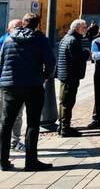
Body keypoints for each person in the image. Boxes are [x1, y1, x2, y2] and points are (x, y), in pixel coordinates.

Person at [0, 13, 55, 171]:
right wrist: (45, 76)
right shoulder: (40, 40)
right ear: (37, 24)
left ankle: (3, 161)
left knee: (6, 124)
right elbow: (50, 62)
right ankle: (31, 161)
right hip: (33, 85)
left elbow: (1, 61)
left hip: (9, 86)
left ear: (23, 23)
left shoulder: (9, 39)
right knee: (33, 124)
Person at [56, 19, 91, 137]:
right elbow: (77, 58)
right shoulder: (73, 41)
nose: (86, 29)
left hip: (66, 74)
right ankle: (65, 128)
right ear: (77, 29)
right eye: (84, 27)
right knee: (67, 102)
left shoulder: (66, 38)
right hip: (70, 75)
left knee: (65, 102)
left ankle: (62, 126)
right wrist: (86, 53)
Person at [0, 19, 25, 152]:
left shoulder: (25, 40)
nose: (20, 28)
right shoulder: (4, 41)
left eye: (22, 26)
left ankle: (15, 141)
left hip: (20, 84)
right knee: (4, 115)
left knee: (18, 115)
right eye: (17, 26)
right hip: (5, 84)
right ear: (9, 29)